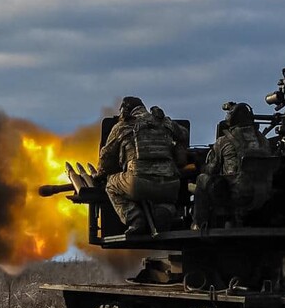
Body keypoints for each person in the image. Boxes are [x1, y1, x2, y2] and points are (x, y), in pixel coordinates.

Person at [97, 96, 189, 235]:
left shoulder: (122, 126)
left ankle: (135, 219)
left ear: (125, 110)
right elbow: (184, 134)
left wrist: (101, 175)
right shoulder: (164, 121)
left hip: (139, 182)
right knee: (163, 199)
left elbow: (106, 156)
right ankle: (164, 213)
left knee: (111, 185)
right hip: (171, 183)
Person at [192, 102, 274, 229]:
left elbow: (212, 169)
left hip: (237, 194)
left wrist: (201, 166)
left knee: (202, 178)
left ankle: (198, 223)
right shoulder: (263, 140)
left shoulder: (223, 141)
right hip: (264, 194)